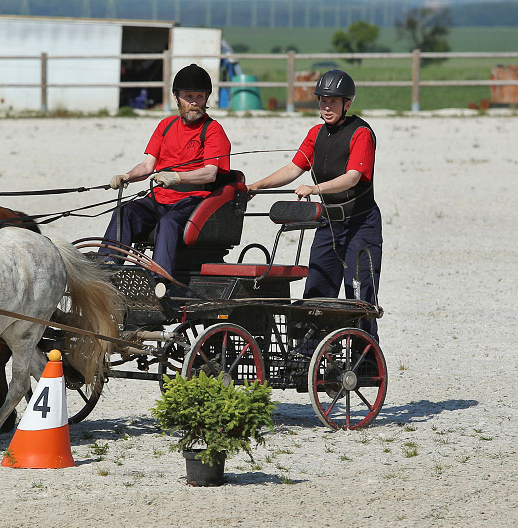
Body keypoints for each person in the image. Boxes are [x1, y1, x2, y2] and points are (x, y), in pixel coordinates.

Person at [247, 69, 382, 341]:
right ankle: (312, 353)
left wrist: (315, 188)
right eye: (322, 100)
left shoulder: (361, 133)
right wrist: (256, 186)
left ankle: (364, 357)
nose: (327, 106)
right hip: (329, 223)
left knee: (359, 292)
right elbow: (292, 169)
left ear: (347, 103)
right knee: (317, 287)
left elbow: (352, 177)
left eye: (333, 101)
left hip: (360, 223)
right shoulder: (315, 134)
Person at [100, 64, 232, 280]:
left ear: (206, 98)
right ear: (176, 97)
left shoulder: (213, 130)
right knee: (125, 212)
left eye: (199, 97)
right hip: (159, 199)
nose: (194, 103)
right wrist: (127, 177)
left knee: (168, 223)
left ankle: (160, 280)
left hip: (193, 200)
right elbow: (147, 167)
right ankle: (107, 268)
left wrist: (179, 177)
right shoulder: (166, 125)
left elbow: (210, 174)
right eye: (188, 96)